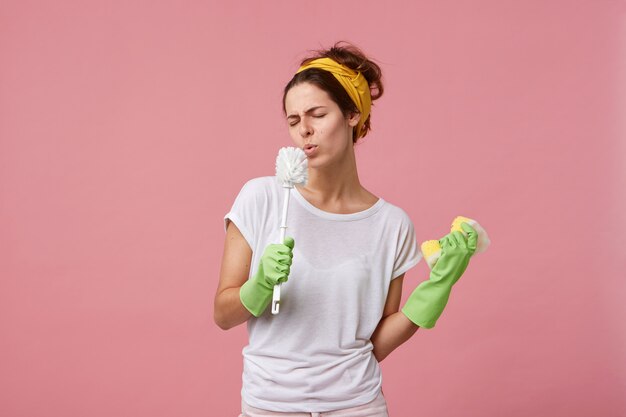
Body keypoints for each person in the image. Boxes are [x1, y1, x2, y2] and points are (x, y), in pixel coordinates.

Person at [214, 42, 477, 417]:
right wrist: (258, 287)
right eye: (293, 121)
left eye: (317, 114)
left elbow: (375, 344)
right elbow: (223, 315)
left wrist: (436, 289)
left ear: (352, 114)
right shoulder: (262, 198)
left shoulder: (392, 224)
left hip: (358, 407)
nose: (304, 130)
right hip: (268, 407)